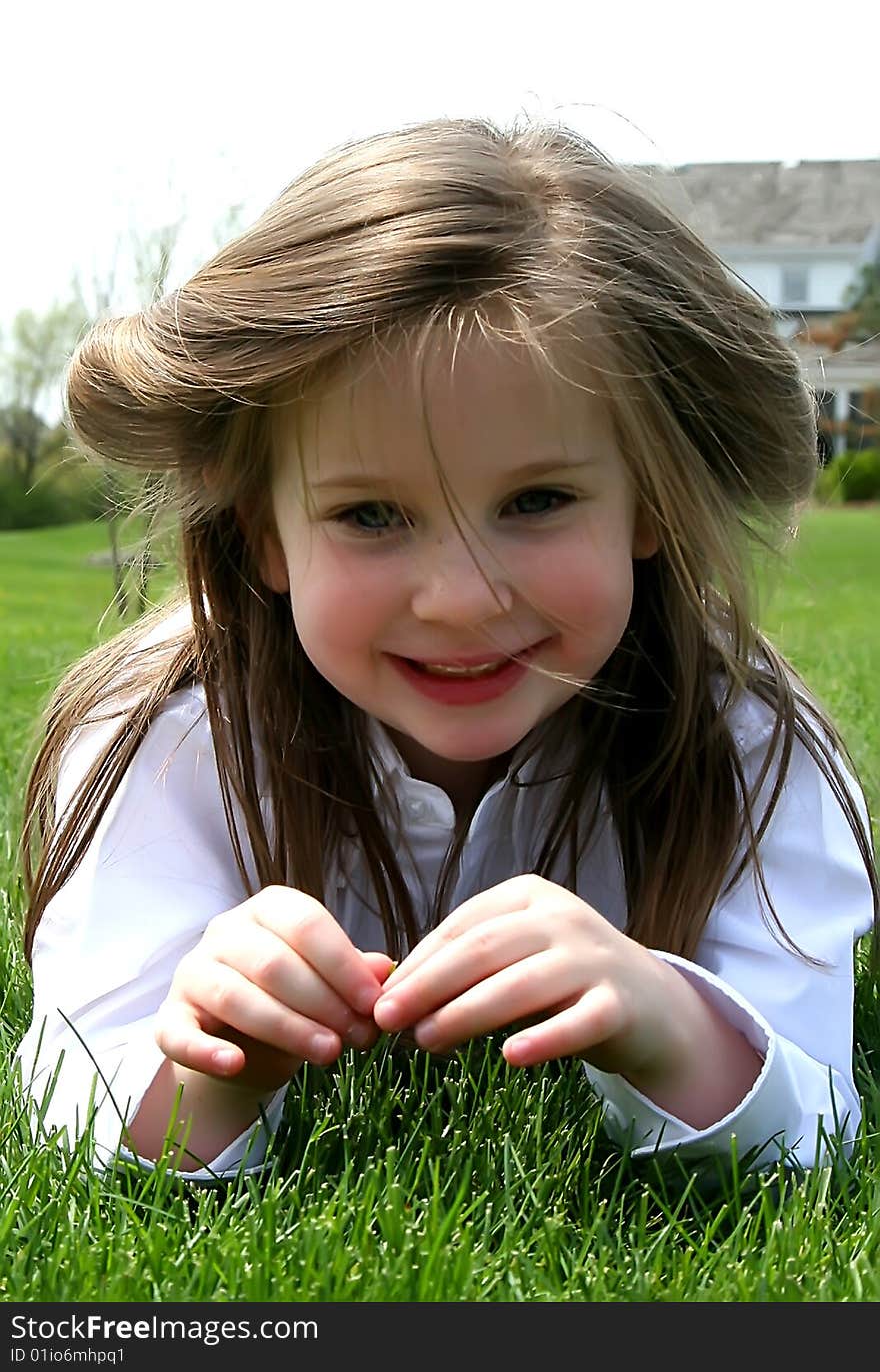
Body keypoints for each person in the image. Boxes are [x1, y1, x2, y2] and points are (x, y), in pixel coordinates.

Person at [14, 116, 877, 1185]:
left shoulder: (744, 743)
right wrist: (211, 1057)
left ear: (648, 503)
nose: (463, 599)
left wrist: (666, 1019)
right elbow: (75, 1094)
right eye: (371, 515)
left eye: (538, 499)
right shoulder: (169, 739)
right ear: (265, 535)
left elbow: (818, 1124)